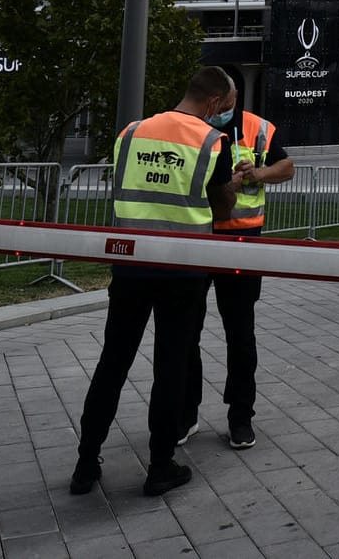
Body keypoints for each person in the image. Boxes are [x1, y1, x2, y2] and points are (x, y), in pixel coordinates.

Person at [71, 67, 239, 499]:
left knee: (113, 361)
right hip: (183, 270)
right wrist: (232, 184)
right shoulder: (211, 142)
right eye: (228, 108)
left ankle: (86, 463)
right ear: (216, 103)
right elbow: (222, 210)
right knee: (171, 364)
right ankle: (160, 466)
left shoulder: (131, 134)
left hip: (130, 266)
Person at [193, 103, 294, 451]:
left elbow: (287, 167)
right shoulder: (190, 124)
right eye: (222, 104)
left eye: (231, 104)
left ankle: (240, 417)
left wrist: (259, 173)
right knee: (184, 331)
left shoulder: (256, 127)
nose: (225, 110)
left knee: (240, 333)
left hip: (242, 241)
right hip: (197, 239)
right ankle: (183, 414)